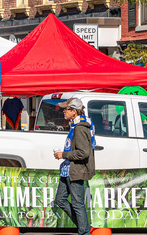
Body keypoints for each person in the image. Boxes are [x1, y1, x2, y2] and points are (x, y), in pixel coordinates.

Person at [53, 98, 95, 235]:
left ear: (74, 111)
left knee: (77, 204)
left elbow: (83, 153)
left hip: (75, 170)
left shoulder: (80, 128)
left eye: (66, 109)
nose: (64, 111)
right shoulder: (74, 126)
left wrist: (64, 155)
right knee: (60, 200)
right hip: (67, 170)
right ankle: (85, 227)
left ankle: (84, 231)